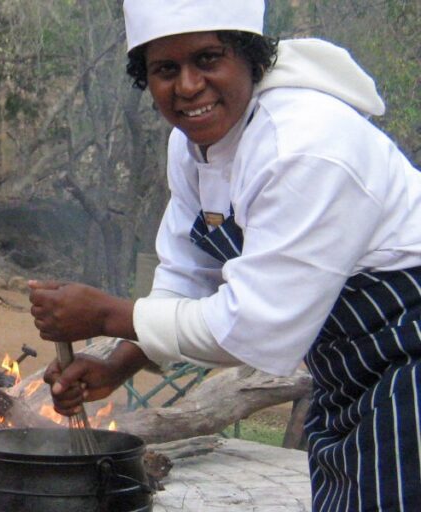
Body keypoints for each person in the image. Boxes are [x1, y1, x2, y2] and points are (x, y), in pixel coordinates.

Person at [28, 1, 421, 510]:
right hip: (347, 369)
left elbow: (256, 327)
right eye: (165, 69)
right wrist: (121, 363)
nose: (188, 87)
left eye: (208, 59)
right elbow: (187, 273)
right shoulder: (190, 147)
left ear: (251, 59)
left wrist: (108, 315)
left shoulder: (303, 144)